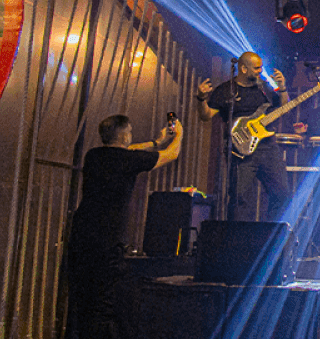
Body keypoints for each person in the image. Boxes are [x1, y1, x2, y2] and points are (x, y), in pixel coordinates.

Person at [67, 114, 183, 339]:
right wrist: (179, 134)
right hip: (107, 239)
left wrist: (155, 142)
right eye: (129, 132)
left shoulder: (94, 155)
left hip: (81, 235)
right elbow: (172, 154)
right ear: (124, 136)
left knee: (81, 297)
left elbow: (128, 150)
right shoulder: (128, 160)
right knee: (104, 300)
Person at [199, 52, 288, 222]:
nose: (260, 71)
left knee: (282, 193)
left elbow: (283, 108)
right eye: (256, 68)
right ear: (243, 69)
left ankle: (271, 233)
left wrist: (282, 88)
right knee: (240, 199)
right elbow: (206, 115)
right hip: (241, 150)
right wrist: (201, 98)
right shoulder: (226, 90)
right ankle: (237, 236)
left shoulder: (265, 88)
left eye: (261, 67)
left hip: (268, 147)